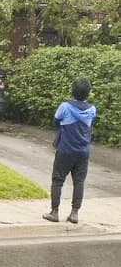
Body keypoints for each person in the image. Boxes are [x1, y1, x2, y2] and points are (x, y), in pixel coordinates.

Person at [42, 78, 97, 224]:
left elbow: (56, 121)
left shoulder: (65, 106)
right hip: (83, 150)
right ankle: (74, 213)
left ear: (72, 91)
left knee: (58, 180)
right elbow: (91, 125)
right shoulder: (92, 109)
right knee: (79, 182)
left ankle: (54, 212)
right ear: (88, 93)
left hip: (65, 149)